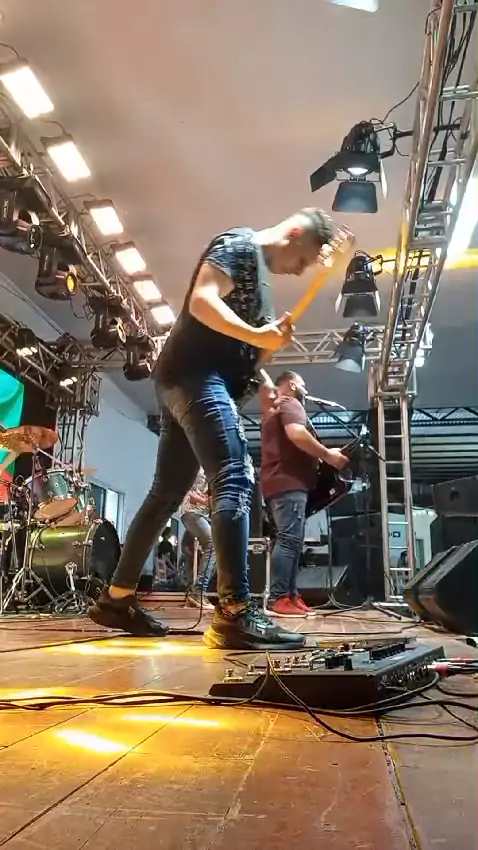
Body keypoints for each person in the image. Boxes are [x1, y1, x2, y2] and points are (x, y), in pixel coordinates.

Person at [88, 207, 342, 650]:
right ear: (295, 233)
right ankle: (235, 612)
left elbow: (237, 345)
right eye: (303, 259)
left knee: (166, 495)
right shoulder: (240, 245)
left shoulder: (259, 281)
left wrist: (262, 372)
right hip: (194, 376)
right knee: (234, 475)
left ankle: (117, 598)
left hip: (188, 377)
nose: (300, 270)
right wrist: (259, 336)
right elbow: (202, 302)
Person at [261, 371, 348, 617]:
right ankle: (278, 598)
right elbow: (297, 433)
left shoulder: (276, 408)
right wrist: (328, 455)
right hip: (288, 482)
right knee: (289, 540)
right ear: (291, 384)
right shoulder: (290, 402)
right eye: (303, 384)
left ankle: (290, 595)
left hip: (280, 482)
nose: (305, 390)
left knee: (292, 541)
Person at [180, 468, 216, 611]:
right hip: (192, 512)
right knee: (212, 546)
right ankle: (198, 591)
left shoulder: (211, 467)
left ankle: (193, 595)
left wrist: (203, 500)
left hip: (201, 514)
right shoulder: (200, 466)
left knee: (193, 551)